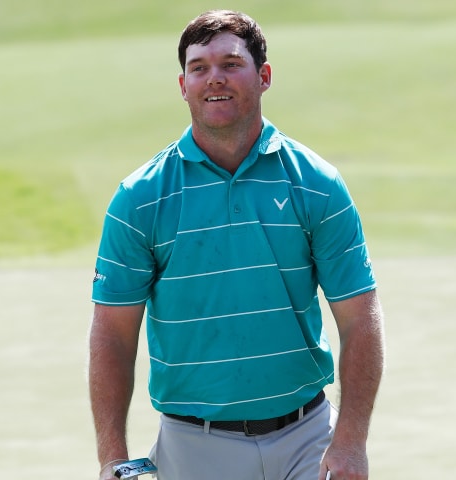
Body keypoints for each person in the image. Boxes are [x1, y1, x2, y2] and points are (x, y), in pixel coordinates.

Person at [89, 10, 385, 480]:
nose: (214, 79)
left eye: (231, 63)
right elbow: (113, 334)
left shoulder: (317, 184)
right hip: (193, 446)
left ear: (263, 76)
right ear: (182, 85)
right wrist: (113, 458)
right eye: (199, 67)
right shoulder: (140, 197)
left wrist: (350, 441)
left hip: (307, 438)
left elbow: (359, 316)